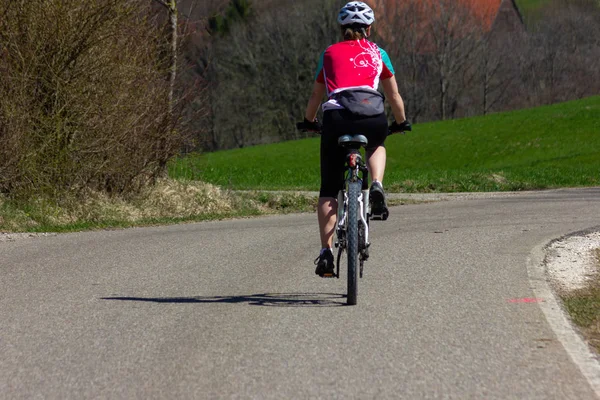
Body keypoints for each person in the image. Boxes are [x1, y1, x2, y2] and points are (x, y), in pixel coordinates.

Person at [299, 1, 411, 277]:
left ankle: (326, 252)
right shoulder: (378, 53)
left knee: (328, 188)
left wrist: (309, 121)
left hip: (337, 118)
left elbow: (316, 96)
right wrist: (400, 122)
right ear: (369, 29)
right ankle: (377, 184)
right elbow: (394, 96)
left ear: (342, 28)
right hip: (372, 115)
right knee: (377, 143)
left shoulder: (329, 53)